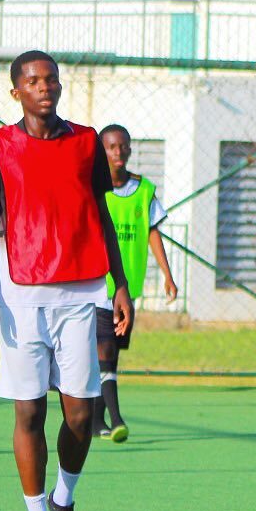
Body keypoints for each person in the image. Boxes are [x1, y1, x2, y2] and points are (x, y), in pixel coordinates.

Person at [0, 51, 133, 511]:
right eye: (34, 81)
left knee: (82, 414)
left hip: (81, 292)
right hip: (21, 293)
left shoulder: (87, 144)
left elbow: (102, 216)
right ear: (17, 92)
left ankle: (64, 499)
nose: (45, 87)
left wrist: (120, 283)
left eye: (52, 79)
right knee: (30, 410)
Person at [92, 124, 178, 443]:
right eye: (111, 147)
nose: (118, 152)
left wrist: (167, 275)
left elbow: (153, 231)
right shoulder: (93, 189)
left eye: (123, 146)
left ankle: (95, 420)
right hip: (98, 284)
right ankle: (115, 419)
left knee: (110, 354)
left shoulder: (143, 190)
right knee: (104, 348)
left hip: (128, 289)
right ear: (102, 151)